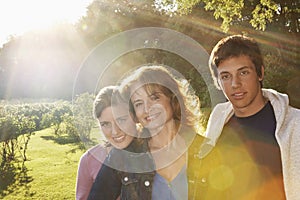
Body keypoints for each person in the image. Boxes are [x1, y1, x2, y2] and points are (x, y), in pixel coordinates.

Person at [198, 34, 300, 199]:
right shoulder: (217, 122)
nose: (235, 84)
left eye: (243, 72)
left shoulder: (295, 125)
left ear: (260, 73)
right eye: (225, 76)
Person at [119, 65, 205, 199]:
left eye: (154, 98)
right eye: (139, 104)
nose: (147, 108)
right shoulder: (129, 157)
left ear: (172, 98)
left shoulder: (205, 150)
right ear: (134, 113)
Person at [76, 86, 144, 200]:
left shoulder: (155, 151)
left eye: (121, 120)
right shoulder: (88, 161)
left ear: (135, 116)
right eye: (106, 124)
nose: (115, 131)